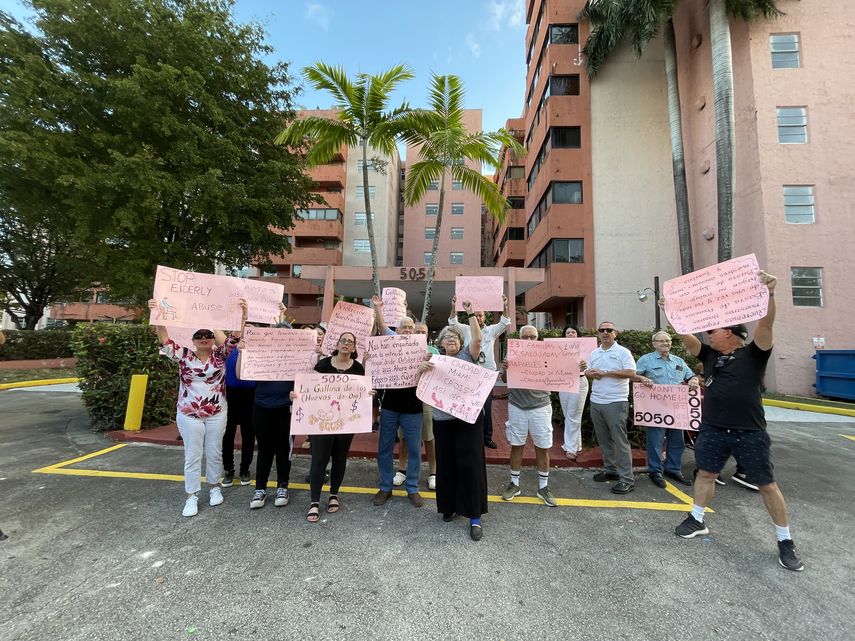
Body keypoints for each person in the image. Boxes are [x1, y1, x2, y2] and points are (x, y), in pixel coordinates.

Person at [670, 271, 804, 571]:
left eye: (713, 331)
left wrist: (769, 293)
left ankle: (785, 541)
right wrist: (672, 308)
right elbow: (685, 337)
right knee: (705, 474)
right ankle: (697, 519)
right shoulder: (710, 357)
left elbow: (766, 324)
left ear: (729, 333)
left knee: (768, 485)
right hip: (714, 429)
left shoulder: (755, 355)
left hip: (750, 432)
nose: (708, 335)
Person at [149, 298, 246, 517]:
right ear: (192, 340)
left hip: (216, 413)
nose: (204, 339)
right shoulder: (183, 356)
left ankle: (214, 487)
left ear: (213, 339)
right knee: (192, 455)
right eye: (199, 336)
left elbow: (236, 336)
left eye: (208, 335)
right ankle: (192, 495)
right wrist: (157, 315)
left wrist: (244, 314)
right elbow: (165, 339)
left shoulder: (221, 356)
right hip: (188, 414)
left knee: (214, 452)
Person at [422, 301, 488, 541]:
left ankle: (474, 515)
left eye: (455, 337)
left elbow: (478, 339)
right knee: (447, 463)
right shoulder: (434, 359)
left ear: (461, 342)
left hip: (468, 419)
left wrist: (470, 312)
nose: (450, 339)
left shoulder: (467, 355)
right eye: (446, 337)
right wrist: (422, 368)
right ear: (440, 343)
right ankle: (448, 506)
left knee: (470, 464)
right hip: (442, 419)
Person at [369, 298, 428, 508]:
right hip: (390, 407)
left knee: (414, 449)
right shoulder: (390, 342)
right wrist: (377, 308)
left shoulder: (422, 348)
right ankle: (385, 486)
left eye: (411, 327)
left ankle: (412, 488)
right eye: (404, 327)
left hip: (413, 408)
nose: (408, 330)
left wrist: (427, 364)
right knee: (384, 448)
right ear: (398, 330)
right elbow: (383, 326)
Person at [302, 332, 366, 523]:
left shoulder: (358, 368)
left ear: (354, 348)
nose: (346, 344)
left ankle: (334, 494)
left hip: (346, 423)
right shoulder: (323, 365)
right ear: (337, 344)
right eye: (343, 340)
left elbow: (361, 393)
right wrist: (297, 395)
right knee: (319, 460)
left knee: (339, 458)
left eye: (350, 342)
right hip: (322, 422)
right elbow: (309, 387)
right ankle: (314, 501)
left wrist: (367, 392)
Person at [237, 305, 296, 510]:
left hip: (286, 408)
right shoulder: (260, 355)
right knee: (264, 449)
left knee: (283, 449)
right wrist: (242, 354)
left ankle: (282, 486)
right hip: (261, 406)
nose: (281, 338)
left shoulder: (297, 357)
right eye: (277, 335)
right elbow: (240, 374)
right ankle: (260, 488)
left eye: (285, 335)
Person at [499, 325, 557, 507]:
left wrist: (578, 367)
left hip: (541, 406)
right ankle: (515, 484)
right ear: (520, 338)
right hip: (517, 405)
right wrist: (506, 368)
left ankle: (543, 487)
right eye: (526, 337)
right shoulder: (512, 354)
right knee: (517, 446)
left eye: (533, 337)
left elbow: (561, 372)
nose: (529, 340)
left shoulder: (548, 355)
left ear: (537, 339)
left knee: (542, 447)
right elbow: (506, 380)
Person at [635, 331, 699, 488]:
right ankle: (655, 471)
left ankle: (673, 469)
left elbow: (690, 376)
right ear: (654, 344)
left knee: (678, 441)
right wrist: (642, 378)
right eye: (661, 341)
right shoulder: (646, 360)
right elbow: (633, 375)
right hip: (656, 408)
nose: (665, 343)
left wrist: (694, 380)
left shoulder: (678, 361)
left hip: (677, 408)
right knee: (655, 441)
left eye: (668, 340)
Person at [448, 294, 510, 449]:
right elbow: (452, 322)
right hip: (468, 374)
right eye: (475, 315)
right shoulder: (465, 329)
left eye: (480, 315)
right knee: (467, 405)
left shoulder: (492, 331)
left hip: (487, 375)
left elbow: (505, 322)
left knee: (486, 407)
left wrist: (505, 306)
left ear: (485, 317)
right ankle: (469, 435)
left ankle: (487, 437)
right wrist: (454, 306)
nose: (477, 317)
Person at [586, 321, 637, 494]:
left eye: (609, 330)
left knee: (620, 441)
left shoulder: (623, 352)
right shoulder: (594, 352)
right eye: (602, 330)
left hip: (616, 402)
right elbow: (588, 371)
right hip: (596, 401)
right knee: (604, 440)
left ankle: (627, 479)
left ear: (615, 333)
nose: (605, 332)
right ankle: (611, 470)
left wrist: (605, 373)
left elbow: (631, 373)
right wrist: (589, 373)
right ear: (598, 334)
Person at [391, 321, 439, 491]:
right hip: (405, 398)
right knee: (404, 437)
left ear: (427, 335)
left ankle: (433, 472)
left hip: (425, 399)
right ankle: (402, 469)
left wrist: (431, 361)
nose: (419, 334)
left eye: (422, 332)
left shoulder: (433, 352)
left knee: (428, 436)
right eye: (416, 331)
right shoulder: (399, 348)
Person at [222, 331, 256, 487]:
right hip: (230, 395)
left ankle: (245, 469)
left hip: (251, 395)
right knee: (227, 433)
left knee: (248, 433)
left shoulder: (259, 350)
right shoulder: (228, 349)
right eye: (245, 329)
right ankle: (228, 469)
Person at [557, 324, 589, 461]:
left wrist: (585, 366)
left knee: (574, 416)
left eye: (573, 332)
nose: (570, 334)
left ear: (578, 334)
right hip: (564, 382)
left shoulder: (586, 349)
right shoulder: (558, 349)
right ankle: (577, 445)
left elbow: (592, 367)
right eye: (568, 332)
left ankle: (570, 448)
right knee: (568, 415)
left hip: (580, 381)